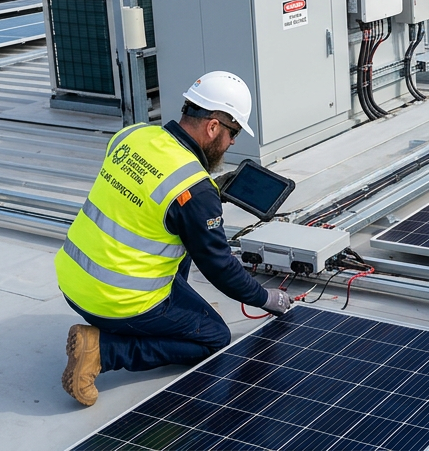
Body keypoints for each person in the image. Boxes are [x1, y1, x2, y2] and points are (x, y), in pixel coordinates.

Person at [55, 71, 292, 406]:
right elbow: (220, 267)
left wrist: (202, 197)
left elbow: (145, 196)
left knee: (173, 232)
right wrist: (264, 299)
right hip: (116, 301)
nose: (233, 142)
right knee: (213, 337)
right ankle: (103, 351)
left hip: (72, 280)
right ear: (213, 127)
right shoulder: (193, 190)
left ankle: (169, 314)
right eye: (233, 132)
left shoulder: (131, 135)